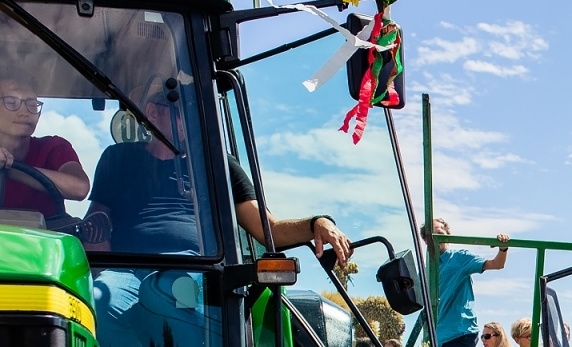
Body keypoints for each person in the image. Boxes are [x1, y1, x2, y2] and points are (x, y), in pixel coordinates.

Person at [85, 75, 350, 264]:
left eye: (192, 109)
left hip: (193, 269)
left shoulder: (219, 165)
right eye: (179, 108)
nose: (189, 117)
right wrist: (108, 268)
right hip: (125, 269)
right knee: (99, 305)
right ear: (153, 113)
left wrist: (318, 223)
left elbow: (270, 230)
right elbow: (96, 223)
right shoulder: (118, 159)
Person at [430, 218, 509, 347]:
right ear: (425, 240)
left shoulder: (459, 258)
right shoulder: (427, 267)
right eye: (431, 235)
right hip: (442, 339)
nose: (436, 239)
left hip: (462, 333)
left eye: (440, 234)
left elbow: (496, 264)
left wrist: (503, 248)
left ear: (448, 236)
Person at [0, 78, 90, 217]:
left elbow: (79, 189)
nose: (24, 112)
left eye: (32, 104)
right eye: (11, 103)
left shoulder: (53, 147)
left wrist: (8, 169)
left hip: (44, 237)